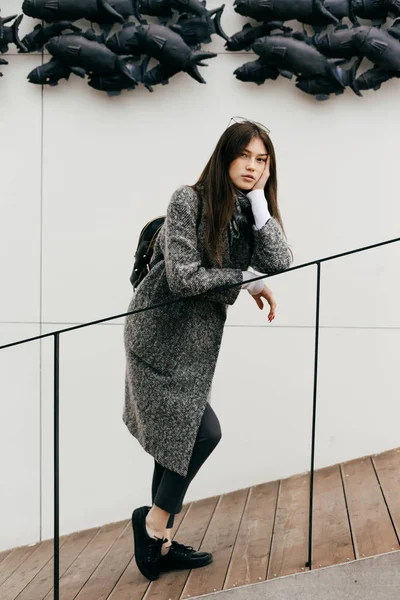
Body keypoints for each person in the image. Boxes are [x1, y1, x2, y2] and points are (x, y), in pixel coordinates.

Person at [123, 117, 293, 581]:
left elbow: (280, 261)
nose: (253, 166)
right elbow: (182, 278)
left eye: (262, 160)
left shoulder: (245, 210)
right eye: (244, 156)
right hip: (158, 337)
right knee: (201, 433)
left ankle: (163, 541)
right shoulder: (188, 200)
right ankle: (153, 523)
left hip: (194, 344)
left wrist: (260, 204)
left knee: (173, 441)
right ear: (224, 156)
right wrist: (244, 280)